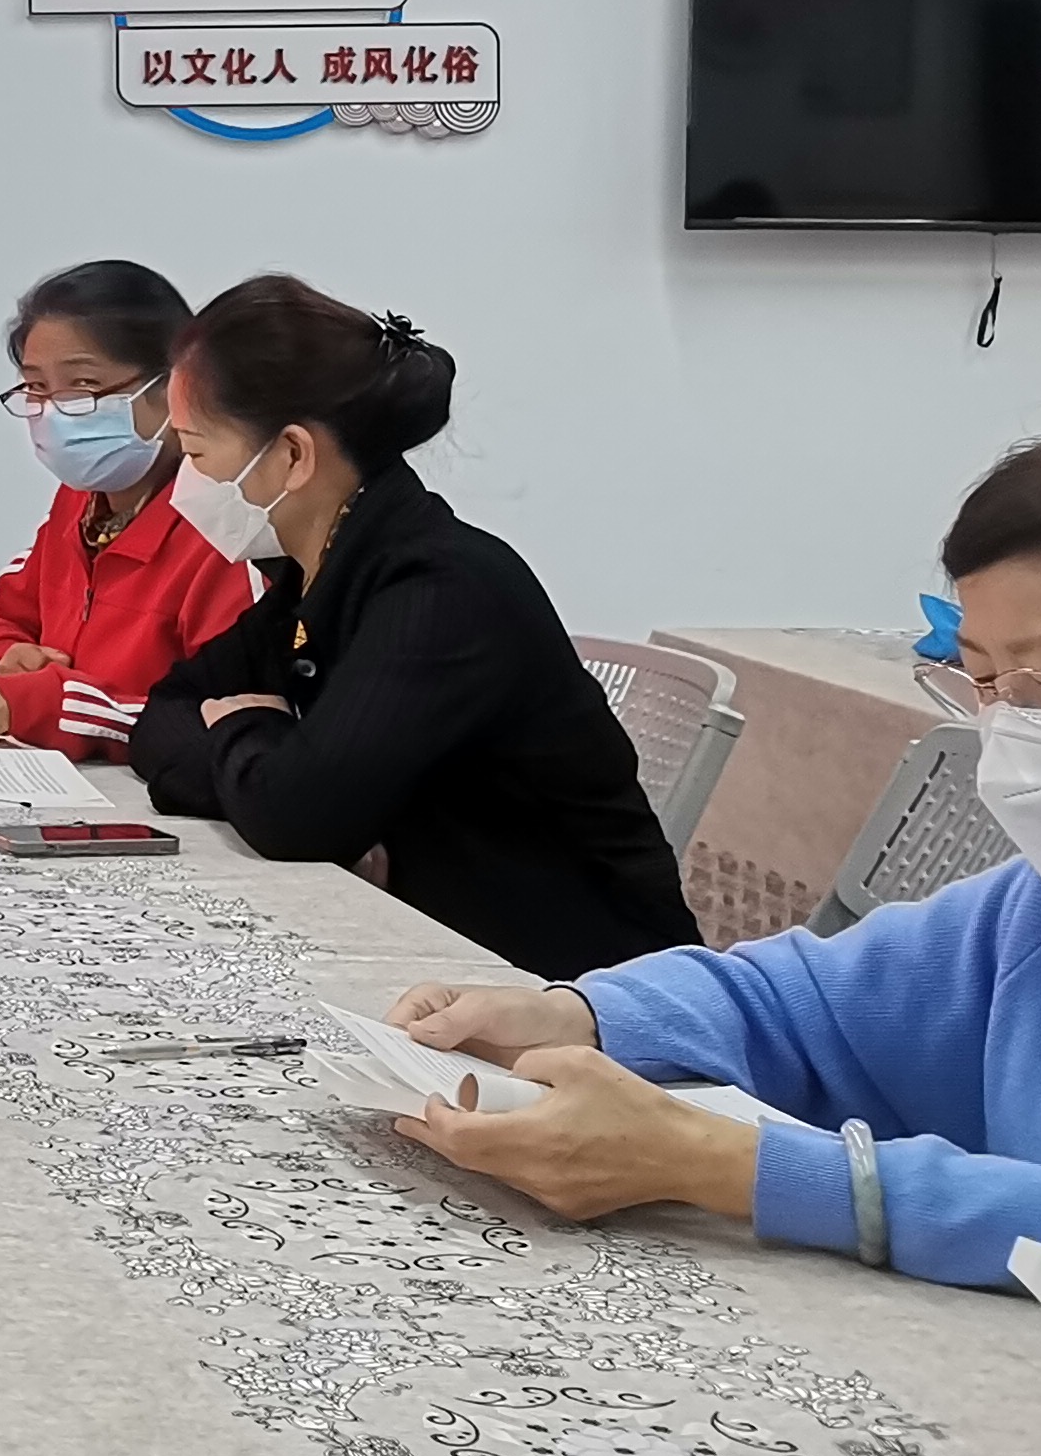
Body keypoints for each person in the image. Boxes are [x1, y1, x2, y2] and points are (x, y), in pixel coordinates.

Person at [388, 420, 1041, 1286]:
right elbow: (801, 1003)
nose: (1009, 727)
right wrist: (580, 1017)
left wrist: (726, 1166)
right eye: (983, 679)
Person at [127, 276, 696, 977]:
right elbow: (163, 715)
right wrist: (267, 766)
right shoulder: (318, 577)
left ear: (293, 456)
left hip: (586, 988)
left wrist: (247, 727)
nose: (185, 481)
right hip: (440, 947)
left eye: (196, 451)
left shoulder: (442, 590)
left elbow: (295, 817)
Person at [0, 259, 252, 755]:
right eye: (36, 388)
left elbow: (227, 721)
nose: (54, 412)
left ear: (175, 387)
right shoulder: (82, 503)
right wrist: (6, 659)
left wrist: (48, 705)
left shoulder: (227, 530)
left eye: (84, 385)